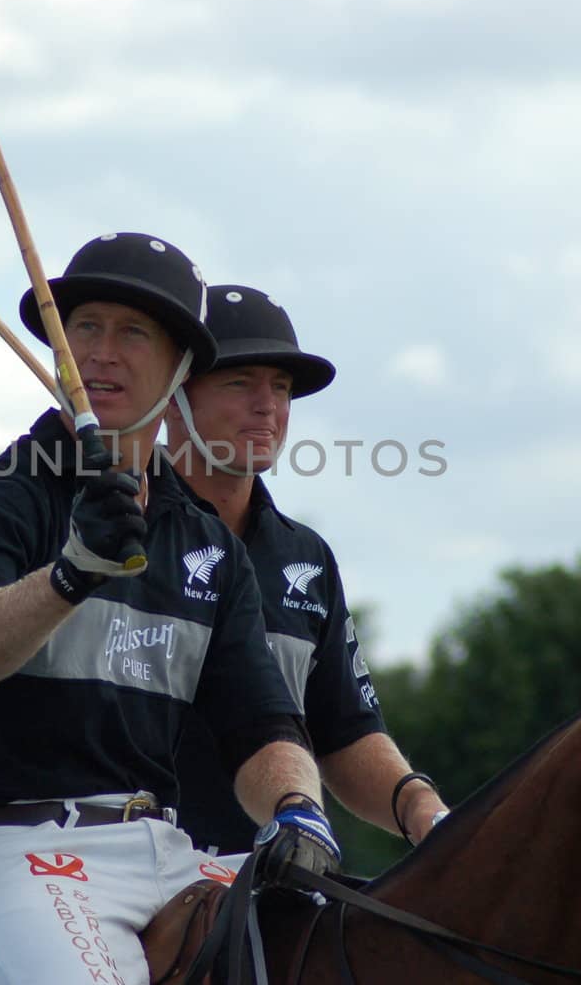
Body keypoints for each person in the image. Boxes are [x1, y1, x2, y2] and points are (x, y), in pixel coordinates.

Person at [0, 233, 340, 985]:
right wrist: (72, 574)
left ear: (180, 371)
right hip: (6, 851)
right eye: (86, 328)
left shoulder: (207, 545)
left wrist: (297, 806)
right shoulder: (6, 496)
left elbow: (259, 724)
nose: (101, 352)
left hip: (165, 853)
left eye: (132, 332)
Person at [164, 285, 449, 854]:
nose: (268, 406)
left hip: (273, 879)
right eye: (240, 382)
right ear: (172, 396)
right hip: (119, 874)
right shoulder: (111, 534)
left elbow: (344, 734)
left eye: (283, 388)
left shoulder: (306, 559)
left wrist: (425, 809)